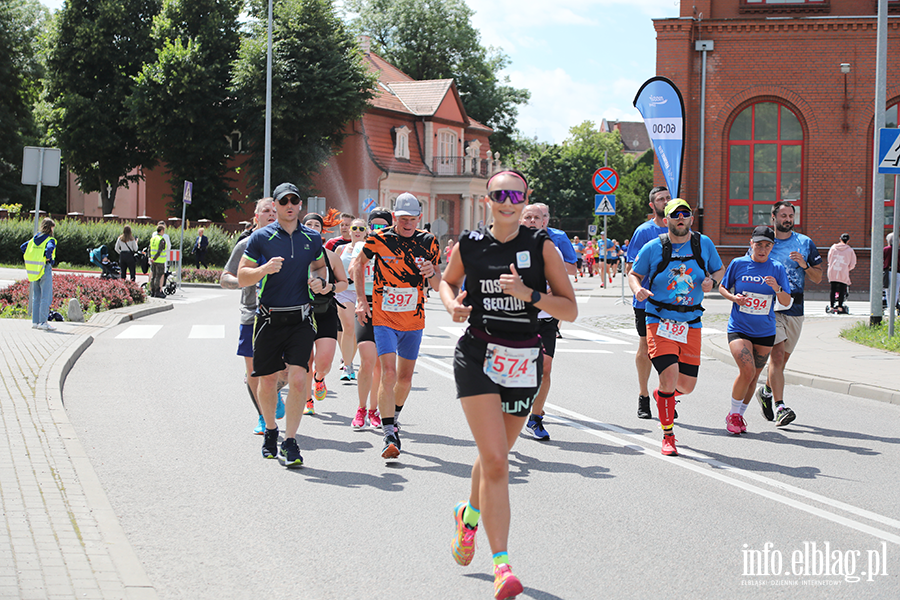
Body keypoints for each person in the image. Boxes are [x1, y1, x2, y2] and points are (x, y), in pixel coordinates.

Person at [440, 170, 577, 600]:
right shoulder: (472, 245)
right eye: (500, 194)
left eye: (515, 194)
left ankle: (469, 514)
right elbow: (447, 281)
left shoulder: (541, 247)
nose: (507, 201)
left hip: (523, 359)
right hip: (478, 355)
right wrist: (452, 306)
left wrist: (528, 295)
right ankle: (503, 567)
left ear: (526, 199)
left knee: (495, 454)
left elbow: (569, 309)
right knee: (497, 460)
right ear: (488, 199)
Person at [237, 182, 328, 468]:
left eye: (294, 200)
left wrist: (320, 281)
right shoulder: (260, 238)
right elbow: (241, 276)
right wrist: (263, 269)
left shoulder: (312, 238)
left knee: (299, 379)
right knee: (267, 381)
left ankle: (290, 440)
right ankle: (270, 430)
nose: (289, 205)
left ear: (300, 205)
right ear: (274, 206)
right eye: (284, 201)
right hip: (268, 319)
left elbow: (320, 266)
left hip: (300, 318)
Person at [628, 198, 725, 456]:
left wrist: (711, 282)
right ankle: (668, 435)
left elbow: (719, 270)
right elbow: (633, 273)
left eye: (685, 214)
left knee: (688, 386)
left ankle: (663, 396)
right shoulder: (653, 247)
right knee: (668, 374)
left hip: (691, 321)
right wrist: (638, 289)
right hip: (659, 319)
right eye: (675, 215)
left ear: (691, 219)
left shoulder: (703, 244)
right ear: (666, 220)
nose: (680, 218)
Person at [350, 193, 440, 459]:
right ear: (395, 217)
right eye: (403, 219)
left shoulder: (428, 242)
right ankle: (389, 434)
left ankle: (394, 414)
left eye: (412, 219)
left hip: (413, 319)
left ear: (419, 218)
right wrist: (361, 301)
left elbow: (437, 283)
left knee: (405, 378)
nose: (407, 224)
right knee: (388, 373)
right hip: (384, 318)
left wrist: (431, 274)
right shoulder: (380, 238)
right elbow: (358, 265)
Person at [221, 198, 286, 434]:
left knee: (287, 369)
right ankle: (262, 415)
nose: (270, 214)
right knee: (253, 370)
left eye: (274, 211)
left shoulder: (288, 243)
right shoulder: (246, 245)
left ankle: (274, 390)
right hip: (252, 314)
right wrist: (245, 279)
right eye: (265, 211)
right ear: (255, 217)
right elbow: (224, 277)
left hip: (283, 314)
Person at [755, 201, 823, 428]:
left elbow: (817, 278)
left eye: (791, 215)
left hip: (795, 307)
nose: (787, 219)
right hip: (771, 306)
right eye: (783, 215)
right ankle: (781, 406)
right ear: (773, 217)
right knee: (777, 354)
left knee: (782, 360)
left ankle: (765, 390)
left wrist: (804, 265)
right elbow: (752, 269)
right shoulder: (764, 243)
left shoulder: (805, 243)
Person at [718, 226, 791, 435]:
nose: (762, 249)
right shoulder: (739, 264)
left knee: (754, 376)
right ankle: (733, 414)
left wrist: (777, 288)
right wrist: (734, 298)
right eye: (759, 245)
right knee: (747, 370)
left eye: (767, 246)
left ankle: (740, 414)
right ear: (751, 243)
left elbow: (786, 301)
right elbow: (723, 286)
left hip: (765, 331)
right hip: (739, 328)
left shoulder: (776, 268)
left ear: (772, 247)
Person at [625, 185, 671, 419]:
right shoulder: (644, 231)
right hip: (647, 302)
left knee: (671, 351)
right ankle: (643, 395)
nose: (665, 201)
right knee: (646, 347)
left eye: (668, 198)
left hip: (675, 302)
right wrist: (640, 288)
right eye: (660, 199)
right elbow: (630, 267)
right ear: (653, 205)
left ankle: (666, 395)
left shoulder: (683, 230)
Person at [519, 204, 562, 441]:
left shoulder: (551, 248)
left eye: (537, 217)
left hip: (545, 319)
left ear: (544, 222)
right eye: (528, 217)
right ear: (521, 221)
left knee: (545, 367)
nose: (533, 221)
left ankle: (535, 419)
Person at [302, 211, 349, 415]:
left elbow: (344, 284)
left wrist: (329, 287)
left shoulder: (331, 257)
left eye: (316, 225)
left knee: (324, 361)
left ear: (322, 230)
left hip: (326, 311)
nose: (312, 228)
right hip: (302, 313)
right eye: (309, 225)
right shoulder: (295, 255)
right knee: (304, 360)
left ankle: (319, 378)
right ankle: (307, 400)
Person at [348, 210, 392, 430]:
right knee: (366, 359)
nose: (377, 229)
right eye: (373, 226)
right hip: (365, 306)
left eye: (382, 225)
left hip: (388, 308)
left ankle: (374, 410)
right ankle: (361, 408)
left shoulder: (396, 248)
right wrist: (359, 299)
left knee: (379, 366)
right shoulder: (360, 247)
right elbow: (352, 269)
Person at [336, 217, 368, 382]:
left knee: (356, 331)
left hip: (361, 293)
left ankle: (348, 361)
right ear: (349, 231)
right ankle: (347, 367)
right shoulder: (341, 249)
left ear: (366, 232)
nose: (357, 232)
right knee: (348, 326)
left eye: (361, 229)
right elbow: (333, 268)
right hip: (343, 292)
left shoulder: (370, 249)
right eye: (354, 228)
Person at [22, 218, 57, 330]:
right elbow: (50, 249)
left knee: (36, 297)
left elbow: (23, 247)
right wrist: (48, 257)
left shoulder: (34, 239)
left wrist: (34, 256)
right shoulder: (50, 240)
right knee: (45, 296)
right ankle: (43, 322)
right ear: (50, 228)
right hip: (44, 269)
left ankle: (35, 322)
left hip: (35, 271)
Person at [533, 202, 577, 277]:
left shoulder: (559, 236)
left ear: (549, 217)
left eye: (545, 215)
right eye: (538, 216)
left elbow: (573, 270)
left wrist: (551, 261)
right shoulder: (519, 236)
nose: (542, 219)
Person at [827, 233, 856, 314]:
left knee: (833, 289)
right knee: (842, 290)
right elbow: (853, 263)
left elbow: (829, 259)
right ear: (848, 241)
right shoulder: (850, 250)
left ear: (840, 239)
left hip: (833, 270)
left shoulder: (833, 248)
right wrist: (847, 268)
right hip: (843, 271)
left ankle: (832, 306)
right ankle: (840, 306)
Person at [149, 224, 168, 298]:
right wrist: (155, 258)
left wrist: (150, 258)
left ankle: (152, 291)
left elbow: (149, 249)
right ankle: (157, 292)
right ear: (162, 230)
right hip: (159, 261)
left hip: (153, 261)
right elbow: (160, 251)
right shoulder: (161, 239)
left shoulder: (153, 239)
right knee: (158, 276)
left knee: (153, 275)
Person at [883, 233, 899, 310]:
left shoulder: (886, 249)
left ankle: (890, 307)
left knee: (888, 291)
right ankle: (893, 307)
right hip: (898, 272)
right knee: (896, 290)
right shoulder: (898, 250)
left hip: (888, 272)